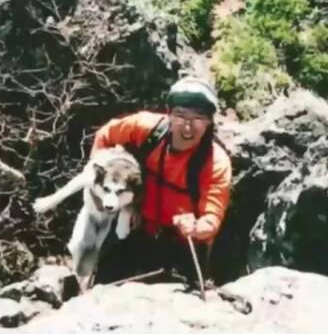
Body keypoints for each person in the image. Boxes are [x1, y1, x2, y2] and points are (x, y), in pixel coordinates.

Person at [92, 77, 233, 288]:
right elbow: (105, 136)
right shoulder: (145, 128)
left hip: (184, 243)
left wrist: (195, 227)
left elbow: (212, 219)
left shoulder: (216, 163)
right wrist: (103, 188)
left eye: (198, 118)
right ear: (168, 114)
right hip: (138, 228)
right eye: (180, 116)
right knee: (103, 282)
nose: (188, 127)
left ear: (210, 121)